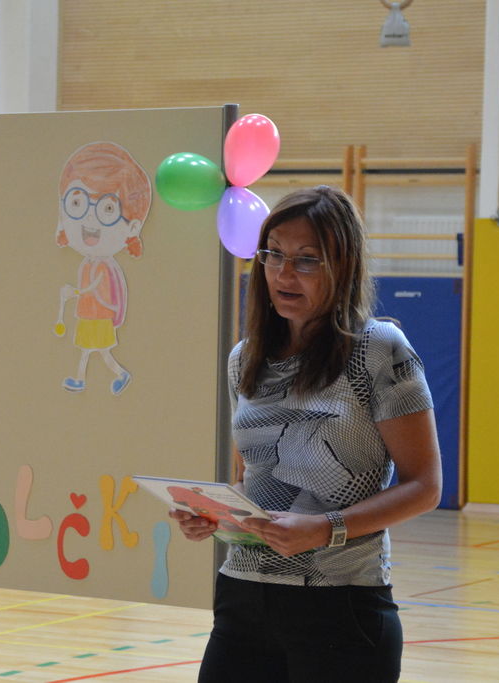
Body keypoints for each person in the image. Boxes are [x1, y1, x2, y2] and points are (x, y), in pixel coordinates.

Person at [170, 186, 442, 682]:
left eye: (307, 259)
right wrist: (216, 517)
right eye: (274, 254)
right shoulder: (244, 358)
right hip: (242, 598)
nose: (284, 273)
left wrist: (324, 528)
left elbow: (425, 487)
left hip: (341, 607)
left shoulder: (378, 349)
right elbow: (254, 478)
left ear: (343, 266)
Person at [53, 142, 151, 395]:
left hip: (97, 317)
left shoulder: (103, 266)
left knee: (94, 351)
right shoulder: (88, 262)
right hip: (88, 315)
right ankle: (94, 377)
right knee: (92, 351)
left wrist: (74, 293)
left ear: (132, 227)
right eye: (77, 203)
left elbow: (96, 288)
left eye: (108, 209)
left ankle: (103, 376)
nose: (89, 218)